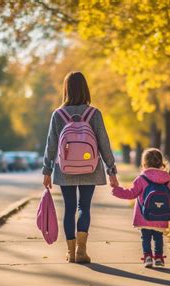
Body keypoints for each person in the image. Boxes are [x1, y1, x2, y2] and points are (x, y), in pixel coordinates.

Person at [42, 71, 119, 264]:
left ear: (66, 89)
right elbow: (103, 143)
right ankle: (82, 250)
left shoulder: (58, 115)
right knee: (83, 206)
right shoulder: (94, 114)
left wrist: (47, 170)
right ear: (85, 88)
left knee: (69, 209)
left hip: (65, 169)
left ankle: (71, 252)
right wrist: (111, 169)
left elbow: (51, 144)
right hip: (90, 168)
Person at [111, 148, 170, 268]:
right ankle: (159, 258)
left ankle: (148, 257)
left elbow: (131, 193)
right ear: (161, 163)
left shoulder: (142, 179)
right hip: (161, 216)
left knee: (145, 237)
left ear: (144, 163)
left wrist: (116, 190)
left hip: (144, 215)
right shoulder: (167, 180)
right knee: (158, 237)